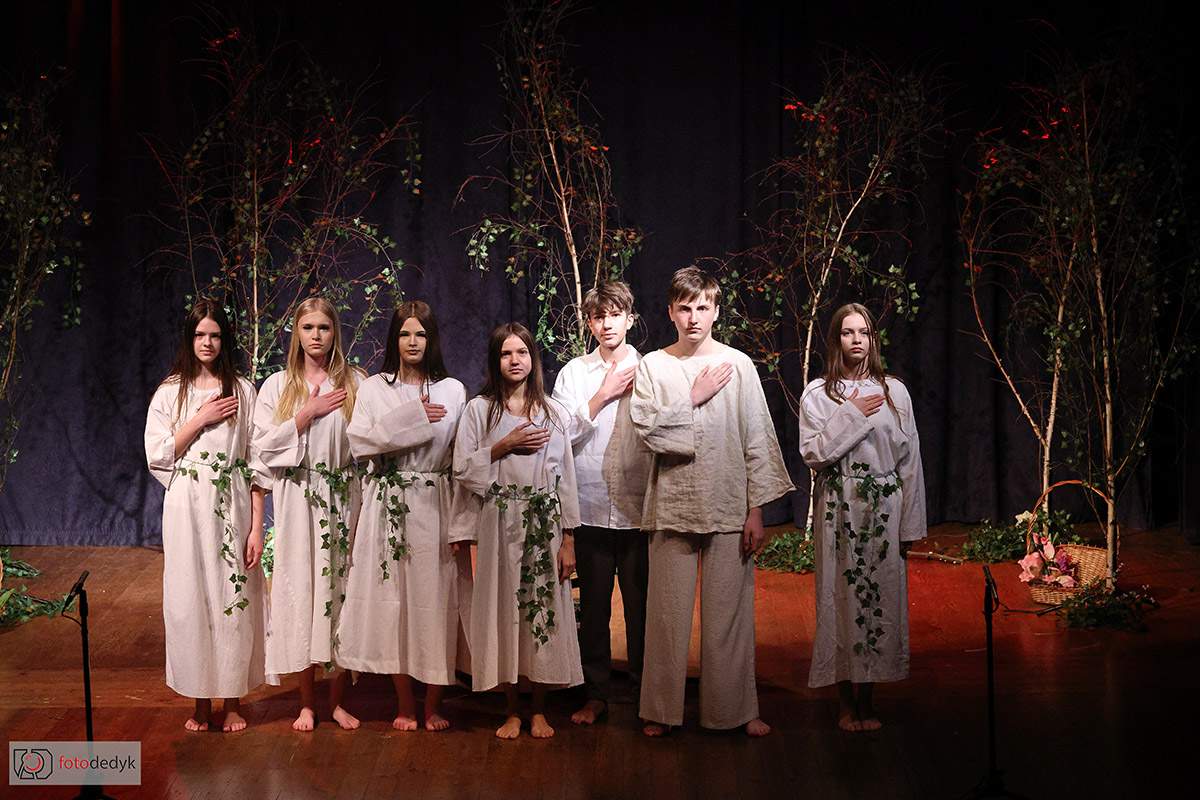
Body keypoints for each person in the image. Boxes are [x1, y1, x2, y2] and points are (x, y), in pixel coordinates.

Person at [632, 266, 794, 737]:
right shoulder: (653, 365)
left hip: (727, 503)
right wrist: (693, 396)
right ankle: (660, 711)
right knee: (667, 616)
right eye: (685, 308)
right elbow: (647, 430)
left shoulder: (737, 365)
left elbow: (756, 437)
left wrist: (756, 510)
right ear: (671, 312)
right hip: (674, 504)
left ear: (716, 311)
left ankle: (735, 709)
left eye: (702, 307)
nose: (693, 317)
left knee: (729, 615)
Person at [338, 301, 471, 732]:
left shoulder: (452, 390)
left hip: (435, 502)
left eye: (421, 334)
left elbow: (459, 458)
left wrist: (462, 524)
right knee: (392, 603)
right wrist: (412, 418)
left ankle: (432, 704)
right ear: (394, 339)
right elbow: (360, 443)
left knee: (435, 602)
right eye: (405, 334)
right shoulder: (375, 388)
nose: (413, 342)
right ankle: (404, 703)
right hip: (388, 503)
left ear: (432, 339)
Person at [798, 302, 926, 732]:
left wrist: (910, 524)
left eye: (864, 332)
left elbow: (910, 461)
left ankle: (868, 697)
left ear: (874, 339)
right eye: (848, 332)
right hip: (840, 505)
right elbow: (814, 452)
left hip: (883, 507)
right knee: (841, 596)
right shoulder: (820, 394)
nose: (857, 340)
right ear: (836, 339)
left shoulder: (895, 392)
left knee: (879, 596)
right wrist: (852, 412)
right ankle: (845, 700)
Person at [453, 322, 583, 739]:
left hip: (543, 522)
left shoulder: (553, 412)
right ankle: (511, 708)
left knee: (540, 609)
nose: (515, 360)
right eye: (506, 353)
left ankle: (539, 707)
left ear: (532, 358)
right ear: (496, 360)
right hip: (500, 520)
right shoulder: (480, 410)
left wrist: (568, 539)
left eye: (522, 352)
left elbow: (566, 478)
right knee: (505, 610)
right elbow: (462, 468)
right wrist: (502, 446)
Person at [144, 300, 266, 732]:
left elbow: (256, 461)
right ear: (189, 338)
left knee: (232, 596)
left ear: (224, 339)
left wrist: (257, 526)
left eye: (214, 335)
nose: (207, 343)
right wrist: (199, 419)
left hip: (231, 501)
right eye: (200, 335)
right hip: (187, 504)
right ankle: (199, 701)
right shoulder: (170, 392)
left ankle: (231, 700)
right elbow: (157, 453)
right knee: (190, 596)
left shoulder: (243, 391)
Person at [252, 297, 363, 732]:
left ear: (335, 332)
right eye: (308, 328)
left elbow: (368, 443)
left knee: (339, 593)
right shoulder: (278, 386)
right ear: (296, 333)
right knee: (301, 593)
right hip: (298, 499)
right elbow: (262, 448)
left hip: (341, 498)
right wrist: (304, 416)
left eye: (324, 328)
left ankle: (335, 701)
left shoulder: (354, 383)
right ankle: (305, 702)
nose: (316, 336)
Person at [550, 281, 651, 725]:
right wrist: (603, 394)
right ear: (588, 323)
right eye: (598, 316)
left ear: (630, 318)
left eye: (615, 315)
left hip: (638, 510)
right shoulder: (574, 373)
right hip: (590, 508)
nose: (607, 324)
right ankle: (596, 694)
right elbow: (559, 436)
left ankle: (647, 693)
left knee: (642, 610)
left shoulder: (651, 369)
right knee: (592, 610)